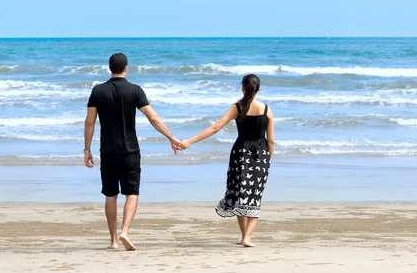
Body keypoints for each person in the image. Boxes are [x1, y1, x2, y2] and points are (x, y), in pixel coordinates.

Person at [84, 53, 182, 251]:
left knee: (110, 195)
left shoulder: (98, 91)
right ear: (126, 68)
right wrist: (171, 138)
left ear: (109, 68)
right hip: (130, 151)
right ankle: (125, 232)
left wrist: (87, 149)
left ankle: (113, 241)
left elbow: (90, 122)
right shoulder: (135, 90)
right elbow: (153, 118)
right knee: (132, 193)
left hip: (108, 151)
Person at [181, 74, 275, 247]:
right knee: (254, 195)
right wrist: (267, 159)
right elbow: (271, 141)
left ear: (242, 88)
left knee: (240, 193)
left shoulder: (237, 108)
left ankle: (243, 236)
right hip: (260, 156)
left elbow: (215, 127)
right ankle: (247, 237)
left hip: (239, 154)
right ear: (259, 89)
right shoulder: (267, 110)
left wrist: (190, 141)